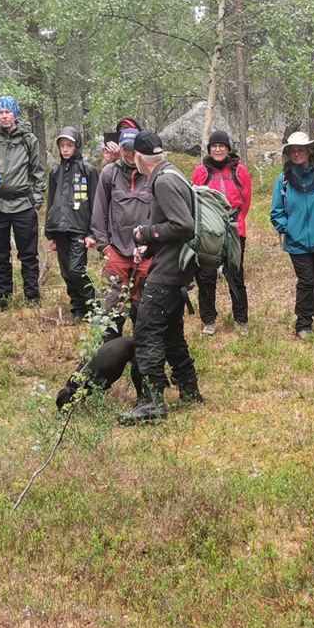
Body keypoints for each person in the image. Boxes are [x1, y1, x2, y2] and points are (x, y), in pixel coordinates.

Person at [119, 132, 200, 423]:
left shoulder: (164, 181)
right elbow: (174, 225)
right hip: (174, 267)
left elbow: (183, 225)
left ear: (140, 158)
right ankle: (190, 390)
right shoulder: (172, 173)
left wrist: (145, 233)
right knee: (171, 333)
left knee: (146, 332)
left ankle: (153, 402)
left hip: (168, 273)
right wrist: (150, 245)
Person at [270, 132, 314, 339]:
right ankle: (303, 324)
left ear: (309, 150)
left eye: (300, 149)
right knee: (306, 282)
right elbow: (276, 212)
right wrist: (289, 228)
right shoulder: (283, 180)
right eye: (293, 150)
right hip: (297, 243)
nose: (297, 153)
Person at [0, 95, 44, 309]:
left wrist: (36, 202)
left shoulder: (29, 139)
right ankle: (2, 297)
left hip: (23, 205)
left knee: (28, 253)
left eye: (8, 112)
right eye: (0, 112)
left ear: (15, 113)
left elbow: (38, 172)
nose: (4, 116)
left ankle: (32, 295)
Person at [89, 126, 153, 336]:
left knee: (144, 311)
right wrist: (105, 247)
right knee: (109, 312)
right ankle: (106, 358)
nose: (131, 152)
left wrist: (152, 247)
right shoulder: (109, 173)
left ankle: (141, 358)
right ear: (122, 149)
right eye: (127, 148)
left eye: (135, 148)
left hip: (145, 254)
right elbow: (99, 213)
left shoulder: (152, 174)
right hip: (116, 251)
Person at [191, 130, 252, 335]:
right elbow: (195, 201)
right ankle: (209, 320)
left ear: (228, 148)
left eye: (222, 146)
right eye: (214, 146)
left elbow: (246, 200)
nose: (218, 149)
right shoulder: (201, 171)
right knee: (206, 275)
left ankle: (241, 319)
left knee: (235, 273)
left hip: (234, 229)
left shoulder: (240, 171)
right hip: (208, 232)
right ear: (209, 149)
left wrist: (236, 221)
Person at [43, 126, 98, 321]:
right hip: (59, 228)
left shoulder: (88, 170)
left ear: (77, 146)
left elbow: (95, 202)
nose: (65, 149)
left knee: (76, 269)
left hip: (79, 228)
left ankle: (93, 305)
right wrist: (50, 233)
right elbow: (51, 201)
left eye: (69, 145)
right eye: (62, 146)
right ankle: (78, 310)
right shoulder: (55, 171)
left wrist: (93, 233)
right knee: (67, 272)